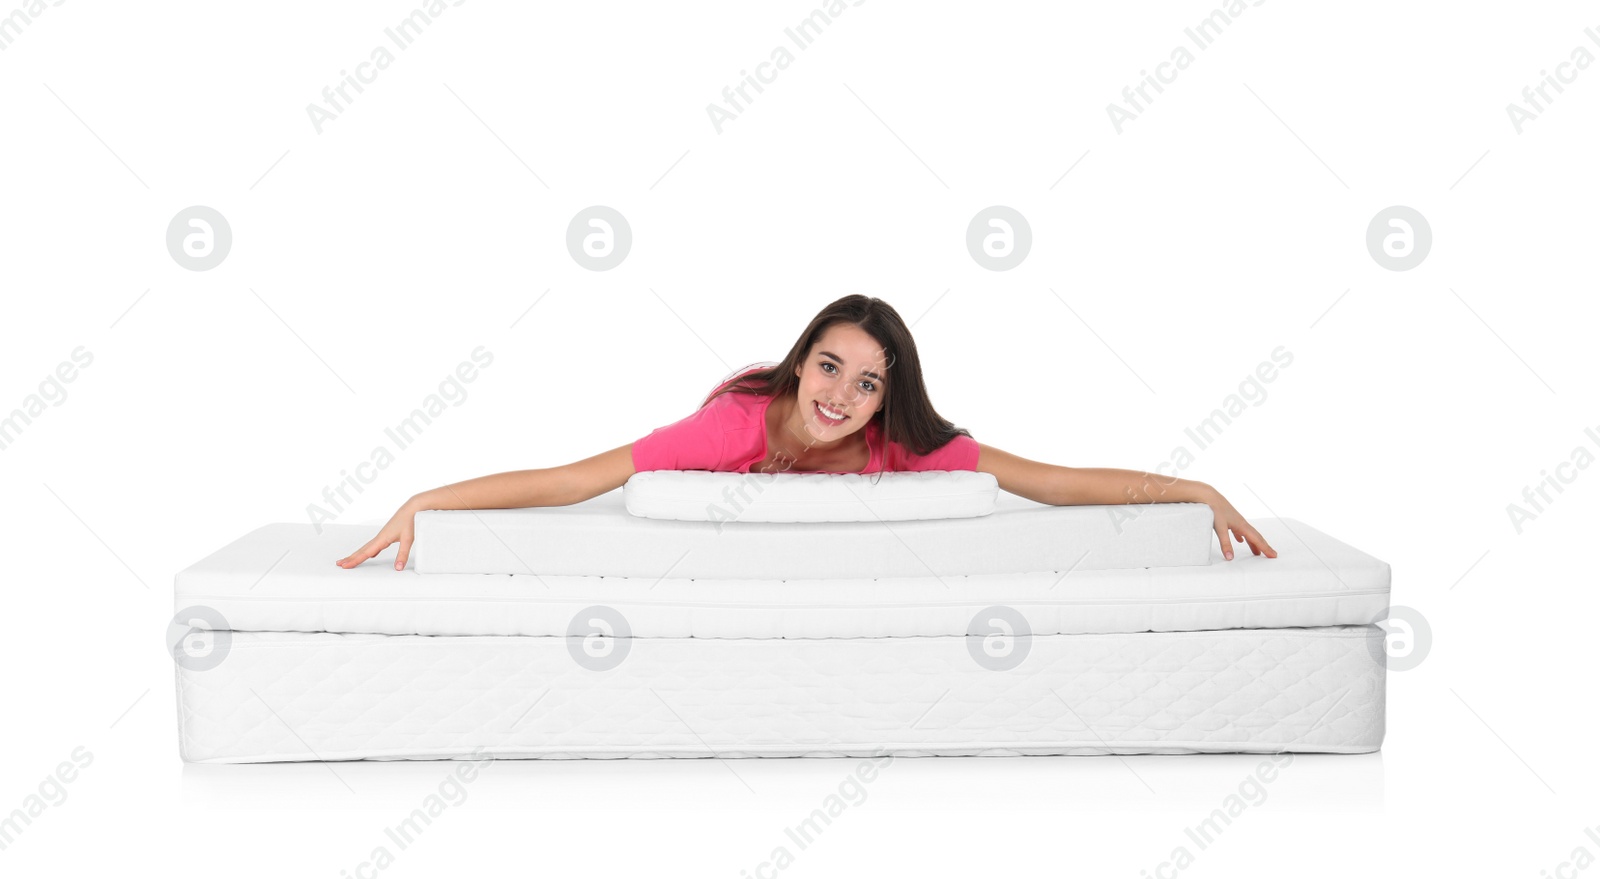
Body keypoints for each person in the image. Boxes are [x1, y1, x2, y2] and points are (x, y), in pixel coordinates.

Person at [337, 294, 1277, 570]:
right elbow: (574, 477)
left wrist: (1193, 488)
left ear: (886, 398)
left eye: (867, 382)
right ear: (801, 362)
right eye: (830, 366)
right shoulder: (729, 427)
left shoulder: (901, 441)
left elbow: (1055, 479)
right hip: (731, 419)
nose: (842, 395)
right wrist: (426, 496)